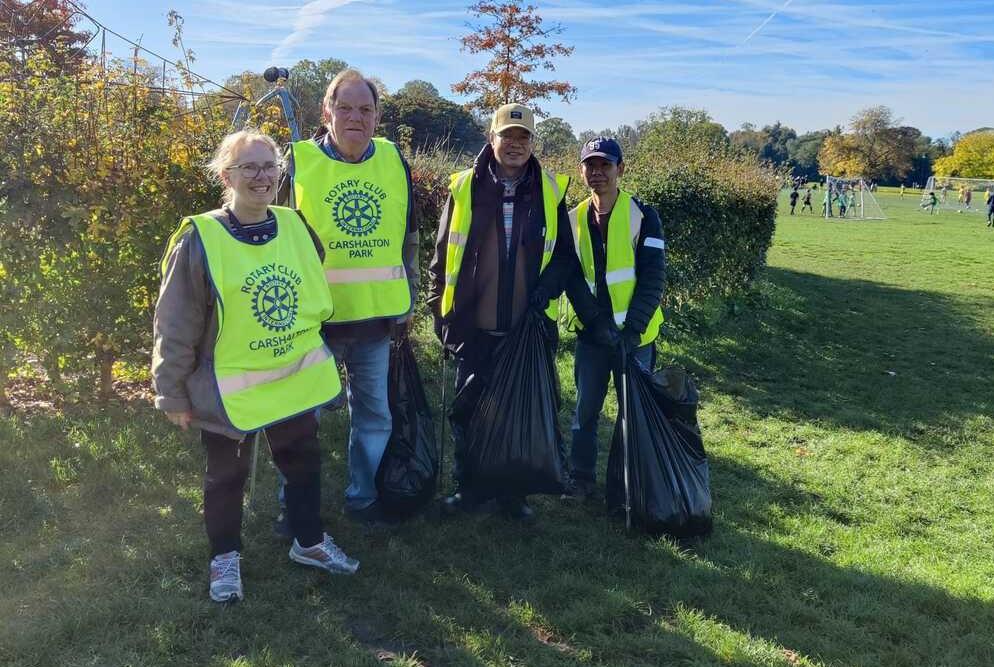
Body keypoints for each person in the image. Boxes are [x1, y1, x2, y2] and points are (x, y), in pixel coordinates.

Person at [152, 129, 359, 604]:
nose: (262, 176)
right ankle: (225, 557)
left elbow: (309, 283)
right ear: (226, 176)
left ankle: (309, 541)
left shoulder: (294, 224)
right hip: (229, 388)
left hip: (291, 378)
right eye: (249, 167)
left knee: (303, 463)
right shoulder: (201, 238)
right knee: (226, 476)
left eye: (269, 166)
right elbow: (175, 321)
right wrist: (172, 392)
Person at [427, 103, 577, 520]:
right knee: (468, 410)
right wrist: (441, 317)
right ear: (491, 138)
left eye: (523, 137)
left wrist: (543, 293)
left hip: (524, 329)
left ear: (533, 143)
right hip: (472, 325)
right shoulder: (464, 187)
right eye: (507, 136)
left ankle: (514, 495)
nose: (515, 144)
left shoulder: (550, 191)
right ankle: (469, 490)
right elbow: (442, 257)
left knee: (517, 413)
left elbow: (565, 257)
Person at [285, 69, 419, 526]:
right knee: (301, 418)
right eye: (345, 108)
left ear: (377, 116)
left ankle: (362, 498)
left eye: (365, 109)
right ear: (327, 113)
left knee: (375, 416)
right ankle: (294, 506)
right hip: (314, 324)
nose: (355, 118)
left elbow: (408, 237)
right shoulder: (299, 162)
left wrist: (408, 297)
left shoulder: (393, 161)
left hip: (375, 321)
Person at [561, 137, 665, 500]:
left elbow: (653, 277)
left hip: (635, 340)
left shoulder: (644, 216)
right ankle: (581, 478)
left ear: (621, 169)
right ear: (581, 171)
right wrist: (594, 321)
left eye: (605, 165)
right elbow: (572, 277)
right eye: (590, 165)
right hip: (592, 336)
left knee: (633, 415)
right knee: (585, 412)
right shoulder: (572, 219)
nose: (597, 172)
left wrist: (633, 331)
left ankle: (627, 485)